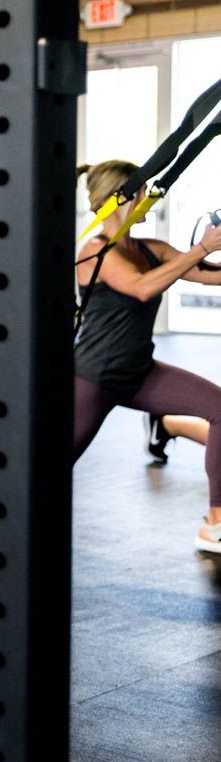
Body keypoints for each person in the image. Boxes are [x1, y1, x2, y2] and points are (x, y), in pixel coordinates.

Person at [73, 160, 221, 552]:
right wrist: (202, 247)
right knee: (43, 471)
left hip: (141, 373)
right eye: (141, 192)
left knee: (220, 409)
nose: (149, 199)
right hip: (95, 377)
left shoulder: (149, 249)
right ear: (118, 198)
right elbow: (140, 287)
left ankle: (215, 524)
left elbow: (207, 273)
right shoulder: (95, 253)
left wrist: (206, 252)